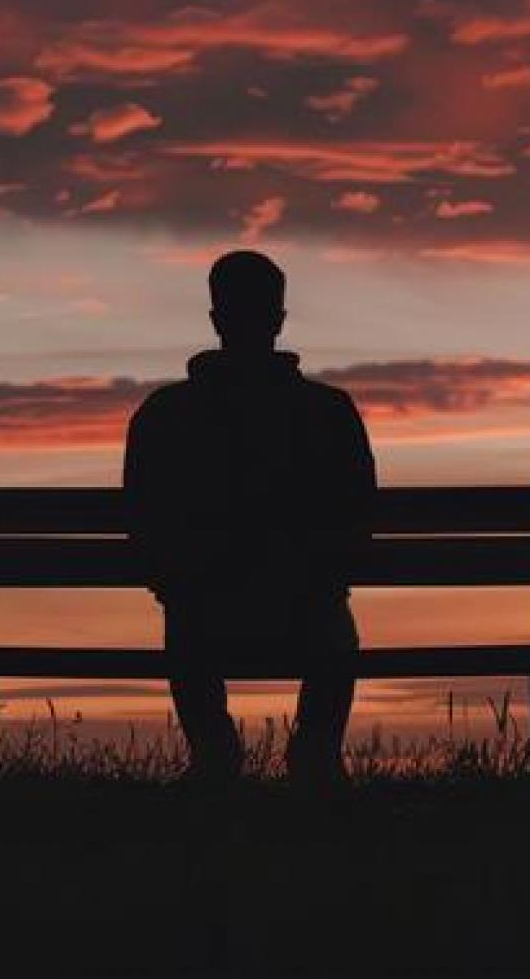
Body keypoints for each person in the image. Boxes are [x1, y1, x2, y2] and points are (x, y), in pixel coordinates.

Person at [124, 249, 376, 785]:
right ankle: (314, 755)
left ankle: (215, 755)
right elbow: (361, 515)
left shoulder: (164, 415)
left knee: (185, 612)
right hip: (308, 614)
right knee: (335, 624)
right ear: (279, 320)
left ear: (216, 319)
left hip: (202, 618)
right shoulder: (328, 412)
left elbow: (142, 523)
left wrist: (183, 573)